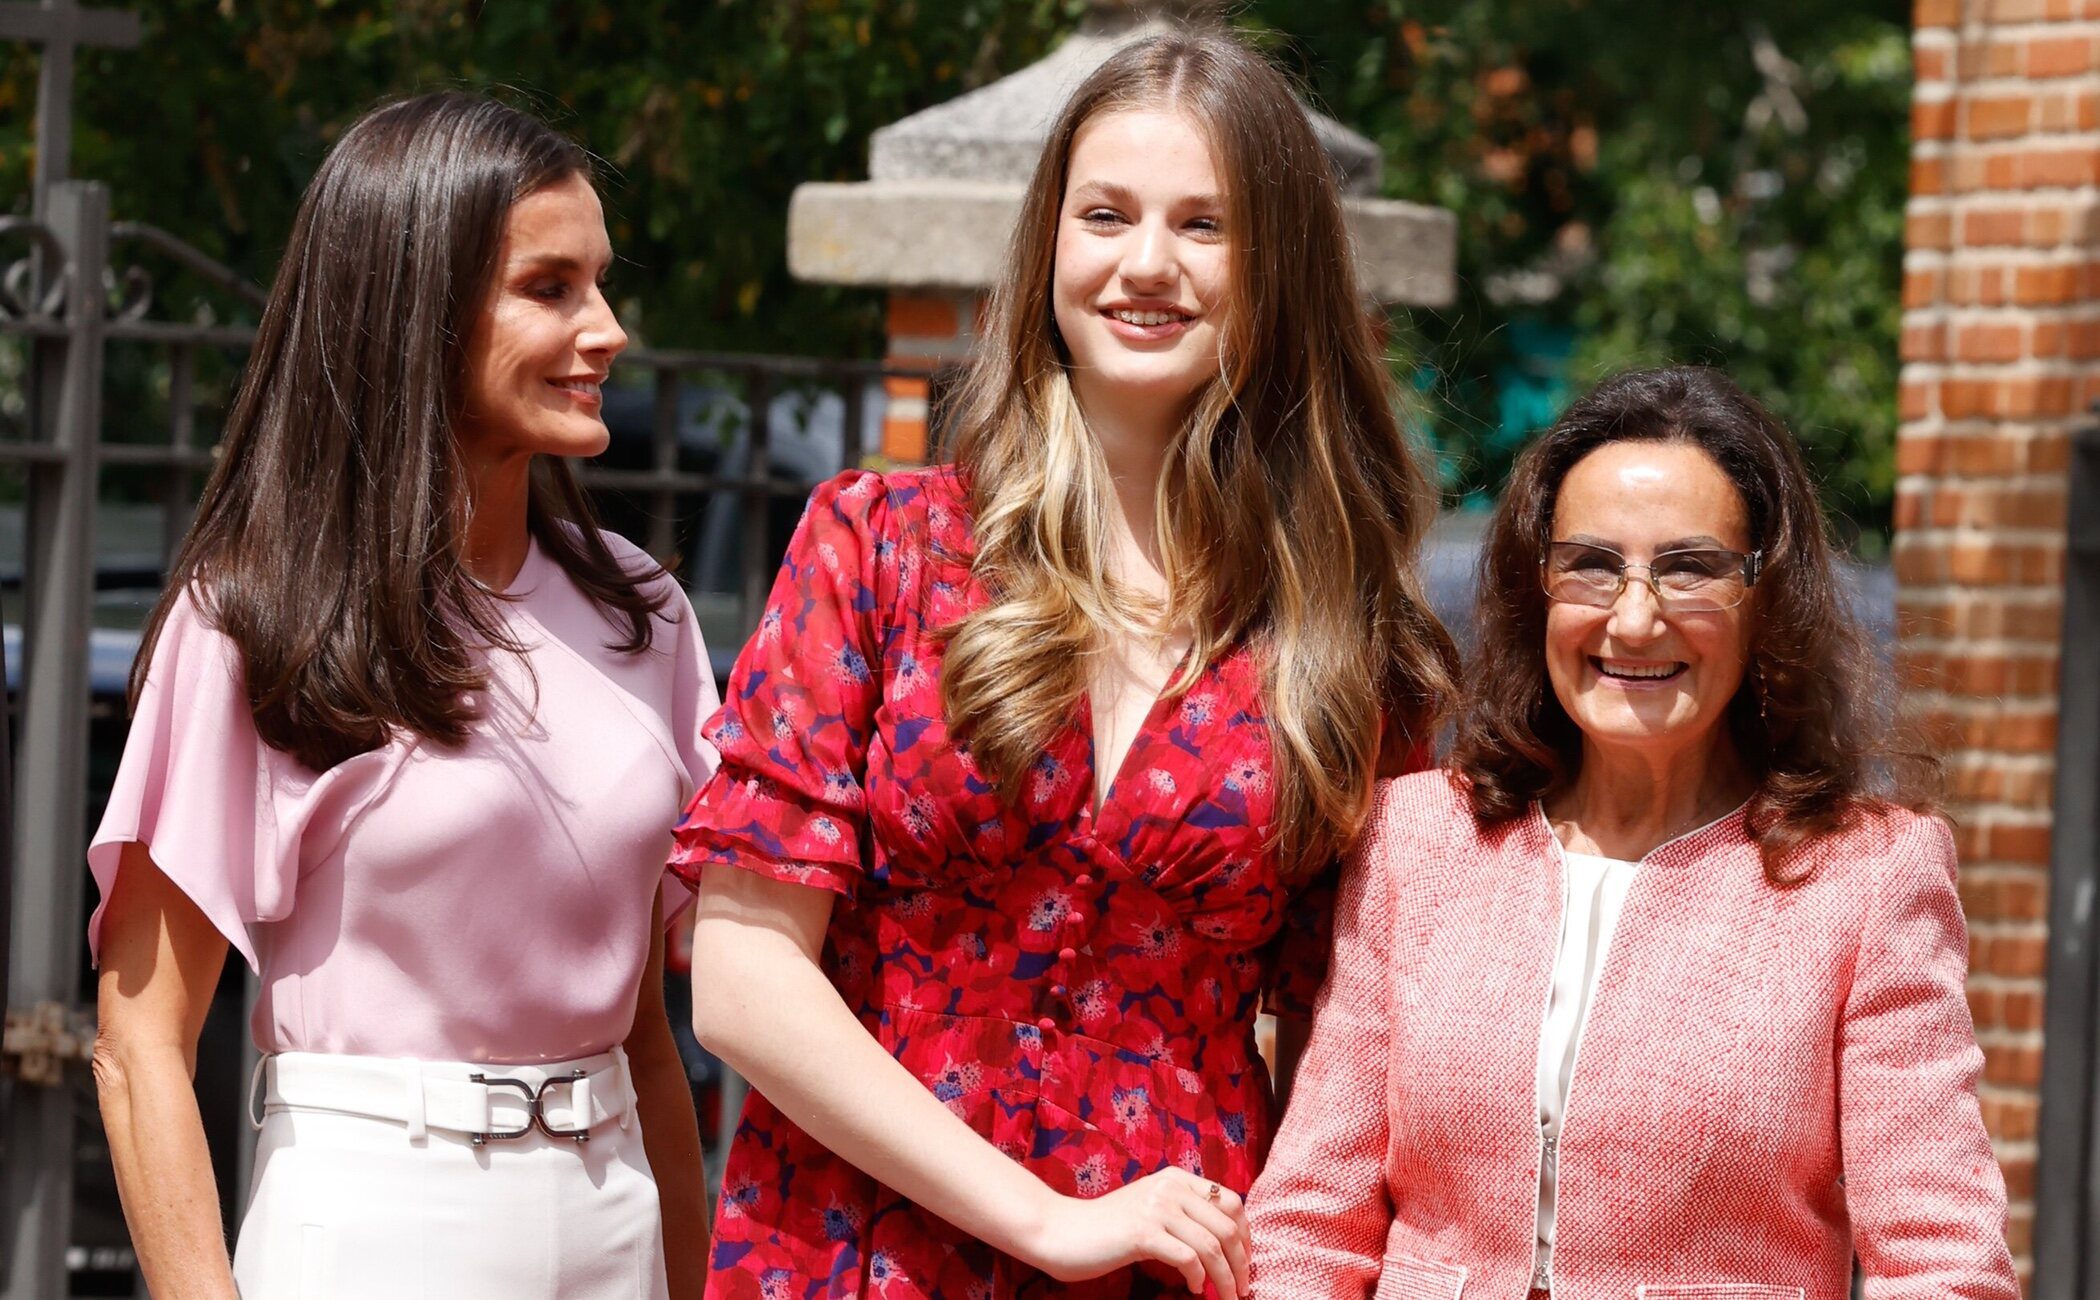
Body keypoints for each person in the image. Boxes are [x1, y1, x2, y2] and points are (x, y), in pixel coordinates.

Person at [671, 27, 1456, 1300]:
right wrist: (1044, 1219)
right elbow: (746, 981)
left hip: (1177, 1259)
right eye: (1107, 214)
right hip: (853, 1244)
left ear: (1282, 271)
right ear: (1049, 245)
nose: (1147, 263)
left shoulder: (1350, 644)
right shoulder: (880, 548)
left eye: (1206, 225)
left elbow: (1346, 1060)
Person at [88, 92, 714, 1300]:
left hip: (614, 1212)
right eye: (552, 288)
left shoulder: (647, 616)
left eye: (601, 281)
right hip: (377, 1223)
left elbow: (646, 1036)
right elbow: (138, 1046)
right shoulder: (252, 626)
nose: (610, 329)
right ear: (415, 311)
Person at [1246, 366, 2019, 1299]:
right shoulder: (1419, 840)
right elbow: (1309, 1223)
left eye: (1690, 567)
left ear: (1763, 597)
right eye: (1592, 564)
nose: (1636, 616)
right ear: (1539, 589)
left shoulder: (1867, 876)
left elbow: (1943, 1265)